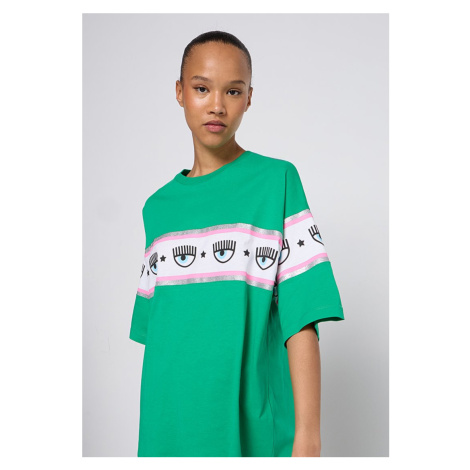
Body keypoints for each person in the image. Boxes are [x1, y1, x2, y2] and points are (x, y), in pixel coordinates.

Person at [129, 30, 344, 458]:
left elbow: (301, 318)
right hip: (167, 425)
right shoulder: (158, 209)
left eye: (232, 91)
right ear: (179, 92)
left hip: (250, 428)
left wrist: (308, 437)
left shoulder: (277, 182)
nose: (217, 105)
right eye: (201, 88)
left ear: (248, 98)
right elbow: (160, 337)